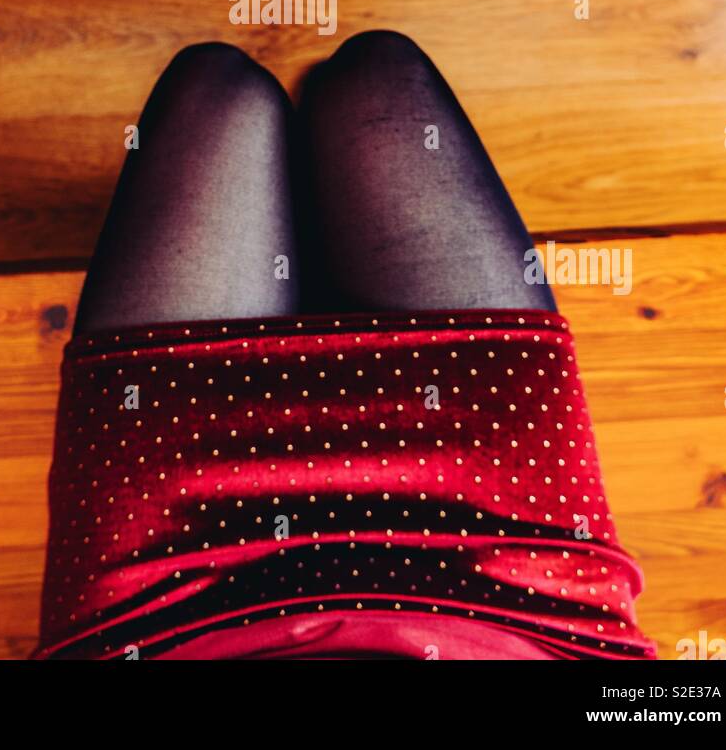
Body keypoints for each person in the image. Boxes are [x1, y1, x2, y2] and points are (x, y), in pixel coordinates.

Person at [34, 33, 653, 661]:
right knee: (376, 73)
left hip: (173, 594)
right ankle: (312, 245)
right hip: (504, 579)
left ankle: (306, 246)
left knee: (217, 86)